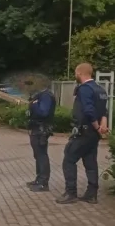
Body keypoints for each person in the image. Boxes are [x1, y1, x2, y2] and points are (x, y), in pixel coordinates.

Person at [56, 63, 109, 205]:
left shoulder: (84, 89)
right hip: (93, 135)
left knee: (69, 159)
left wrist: (97, 127)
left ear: (79, 73)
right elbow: (104, 110)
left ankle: (70, 192)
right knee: (90, 162)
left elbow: (89, 110)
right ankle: (91, 194)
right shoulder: (100, 89)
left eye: (75, 73)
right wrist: (103, 126)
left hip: (84, 131)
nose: (75, 75)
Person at [26, 81, 56, 192]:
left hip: (41, 130)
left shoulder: (46, 96)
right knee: (38, 155)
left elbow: (43, 112)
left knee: (42, 155)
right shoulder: (41, 95)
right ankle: (39, 179)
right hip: (37, 129)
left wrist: (34, 104)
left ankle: (43, 182)